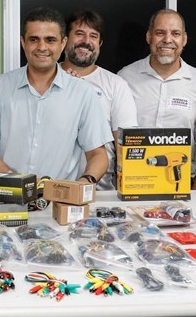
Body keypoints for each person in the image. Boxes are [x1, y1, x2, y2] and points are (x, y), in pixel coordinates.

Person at [0, 7, 112, 182]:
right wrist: (20, 182)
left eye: (50, 40)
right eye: (34, 39)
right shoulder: (1, 86)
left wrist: (83, 184)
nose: (42, 47)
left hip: (60, 201)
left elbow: (98, 155)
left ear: (63, 43)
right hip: (8, 198)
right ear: (23, 42)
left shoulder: (83, 93)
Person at [117, 9, 196, 188]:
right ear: (149, 36)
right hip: (135, 180)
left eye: (175, 34)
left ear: (184, 39)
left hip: (183, 180)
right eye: (160, 33)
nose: (167, 40)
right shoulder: (125, 77)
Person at [60, 10, 139, 189]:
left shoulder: (116, 85)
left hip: (100, 190)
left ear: (100, 43)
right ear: (65, 39)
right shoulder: (49, 79)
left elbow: (124, 144)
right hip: (51, 187)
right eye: (79, 33)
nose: (86, 41)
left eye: (93, 36)